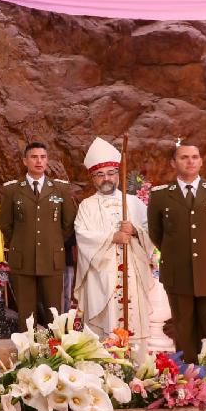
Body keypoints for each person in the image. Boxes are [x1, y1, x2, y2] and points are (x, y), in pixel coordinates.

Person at [147, 142, 206, 363]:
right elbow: (157, 234)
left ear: (201, 161)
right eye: (184, 157)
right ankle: (189, 387)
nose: (190, 161)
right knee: (184, 331)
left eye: (195, 157)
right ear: (173, 163)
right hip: (179, 274)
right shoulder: (160, 196)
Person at [74, 138, 159, 353]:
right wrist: (113, 237)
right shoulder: (87, 206)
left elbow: (152, 235)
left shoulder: (134, 203)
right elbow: (83, 236)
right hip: (101, 278)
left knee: (134, 334)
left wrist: (135, 231)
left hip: (132, 273)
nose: (106, 179)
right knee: (106, 333)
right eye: (100, 174)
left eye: (111, 173)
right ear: (93, 178)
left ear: (118, 174)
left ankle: (137, 375)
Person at [0, 142, 77, 324]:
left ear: (47, 160)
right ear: (25, 161)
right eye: (34, 157)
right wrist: (22, 242)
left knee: (54, 313)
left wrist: (53, 241)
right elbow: (5, 224)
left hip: (51, 258)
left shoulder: (60, 189)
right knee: (26, 316)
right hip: (23, 259)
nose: (39, 161)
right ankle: (27, 350)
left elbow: (68, 223)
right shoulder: (12, 189)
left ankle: (53, 350)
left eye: (43, 157)